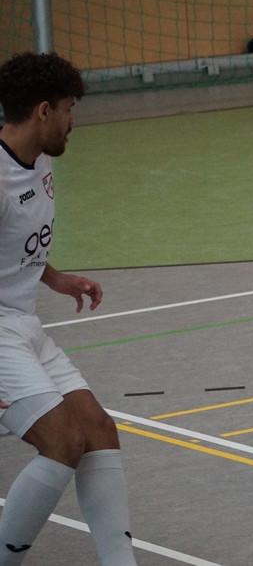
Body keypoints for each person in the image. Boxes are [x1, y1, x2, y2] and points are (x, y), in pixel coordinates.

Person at [0, 52, 136, 564]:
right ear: (43, 111)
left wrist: (53, 277)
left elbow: (16, 242)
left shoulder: (40, 158)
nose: (73, 120)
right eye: (68, 108)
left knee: (98, 431)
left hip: (24, 324)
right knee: (61, 442)